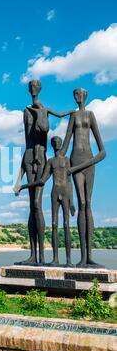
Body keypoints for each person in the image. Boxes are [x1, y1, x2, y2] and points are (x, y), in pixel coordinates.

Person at [14, 79, 75, 265]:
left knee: (37, 204)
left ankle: (42, 256)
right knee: (32, 208)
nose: (33, 89)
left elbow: (43, 129)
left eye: (36, 87)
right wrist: (19, 178)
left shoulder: (42, 110)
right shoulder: (25, 112)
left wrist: (40, 109)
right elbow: (27, 142)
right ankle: (33, 255)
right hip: (29, 156)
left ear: (39, 89)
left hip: (40, 159)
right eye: (31, 87)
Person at [60, 88, 106, 267]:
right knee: (82, 204)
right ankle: (82, 257)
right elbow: (65, 144)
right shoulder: (73, 116)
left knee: (88, 204)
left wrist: (82, 166)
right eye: (75, 94)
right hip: (75, 159)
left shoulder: (90, 115)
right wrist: (55, 162)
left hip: (87, 162)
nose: (77, 97)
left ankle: (90, 257)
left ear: (85, 96)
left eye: (80, 94)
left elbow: (102, 151)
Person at [16, 136, 75, 267]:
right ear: (52, 145)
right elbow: (42, 180)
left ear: (61, 144)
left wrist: (71, 201)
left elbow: (69, 181)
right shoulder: (50, 161)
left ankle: (69, 260)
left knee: (66, 225)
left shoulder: (66, 160)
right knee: (54, 224)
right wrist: (23, 186)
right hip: (55, 192)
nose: (56, 144)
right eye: (54, 142)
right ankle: (55, 259)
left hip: (65, 192)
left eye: (58, 142)